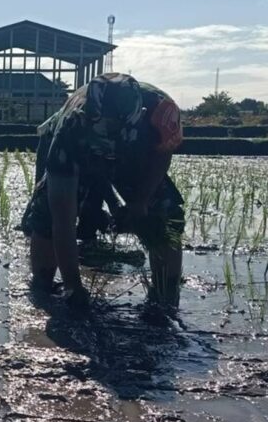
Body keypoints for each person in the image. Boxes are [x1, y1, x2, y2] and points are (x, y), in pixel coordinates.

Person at [21, 73, 185, 315]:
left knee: (165, 213)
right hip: (78, 150)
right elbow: (62, 218)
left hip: (134, 153)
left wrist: (140, 201)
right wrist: (73, 287)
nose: (107, 131)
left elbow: (161, 154)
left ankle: (165, 292)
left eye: (113, 127)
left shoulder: (161, 111)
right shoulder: (71, 125)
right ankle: (43, 285)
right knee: (45, 215)